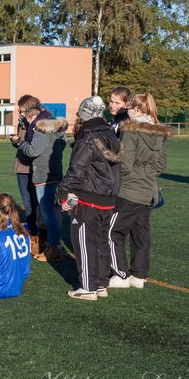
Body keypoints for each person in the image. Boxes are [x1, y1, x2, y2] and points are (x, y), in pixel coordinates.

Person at [57, 96, 122, 301]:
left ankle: (88, 286)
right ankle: (101, 283)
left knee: (84, 242)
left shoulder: (89, 138)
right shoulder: (111, 134)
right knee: (101, 241)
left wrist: (63, 191)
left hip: (89, 196)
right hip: (109, 197)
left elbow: (77, 169)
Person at [108, 92, 168, 289]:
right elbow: (160, 165)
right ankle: (139, 275)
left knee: (112, 232)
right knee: (140, 234)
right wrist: (145, 174)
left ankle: (120, 274)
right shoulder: (158, 132)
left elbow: (125, 164)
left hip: (129, 190)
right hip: (148, 190)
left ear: (135, 110)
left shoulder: (131, 130)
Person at [16, 109, 68, 262]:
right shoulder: (58, 131)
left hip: (44, 176)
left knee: (48, 214)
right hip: (55, 173)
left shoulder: (41, 131)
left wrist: (21, 142)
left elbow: (33, 151)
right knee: (52, 212)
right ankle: (54, 245)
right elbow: (62, 145)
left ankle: (54, 247)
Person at [9, 94, 41, 241]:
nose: (19, 113)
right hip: (22, 166)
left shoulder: (39, 123)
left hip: (35, 167)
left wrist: (20, 142)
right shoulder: (22, 121)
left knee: (37, 202)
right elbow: (21, 143)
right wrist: (15, 141)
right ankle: (33, 234)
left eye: (21, 110)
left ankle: (42, 235)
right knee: (27, 202)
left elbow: (35, 147)